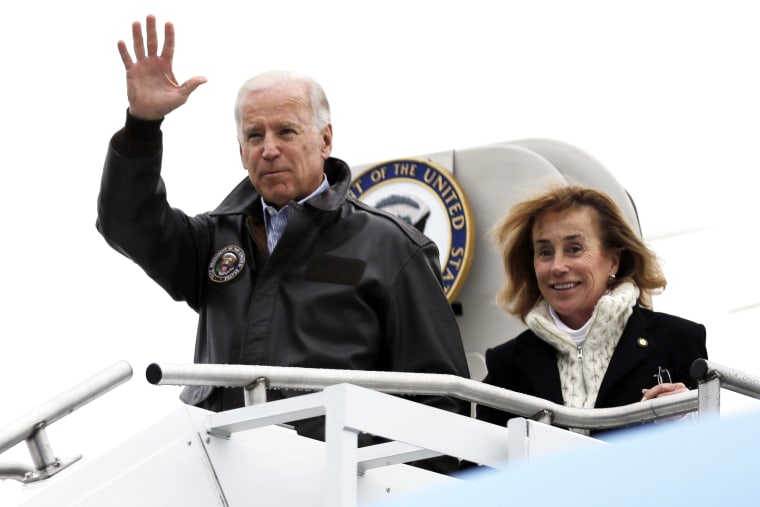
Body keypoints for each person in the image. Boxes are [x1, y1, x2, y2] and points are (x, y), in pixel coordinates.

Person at [96, 15, 470, 470]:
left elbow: (442, 401)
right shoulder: (214, 240)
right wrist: (141, 126)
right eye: (254, 135)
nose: (268, 148)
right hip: (218, 477)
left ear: (325, 139)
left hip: (338, 484)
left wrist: (371, 471)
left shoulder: (392, 248)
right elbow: (126, 223)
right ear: (240, 151)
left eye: (286, 131)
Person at [476, 185, 707, 434]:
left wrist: (688, 417)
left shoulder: (677, 341)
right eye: (544, 252)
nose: (557, 266)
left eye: (574, 249)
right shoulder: (505, 366)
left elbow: (712, 455)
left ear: (613, 261)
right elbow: (478, 467)